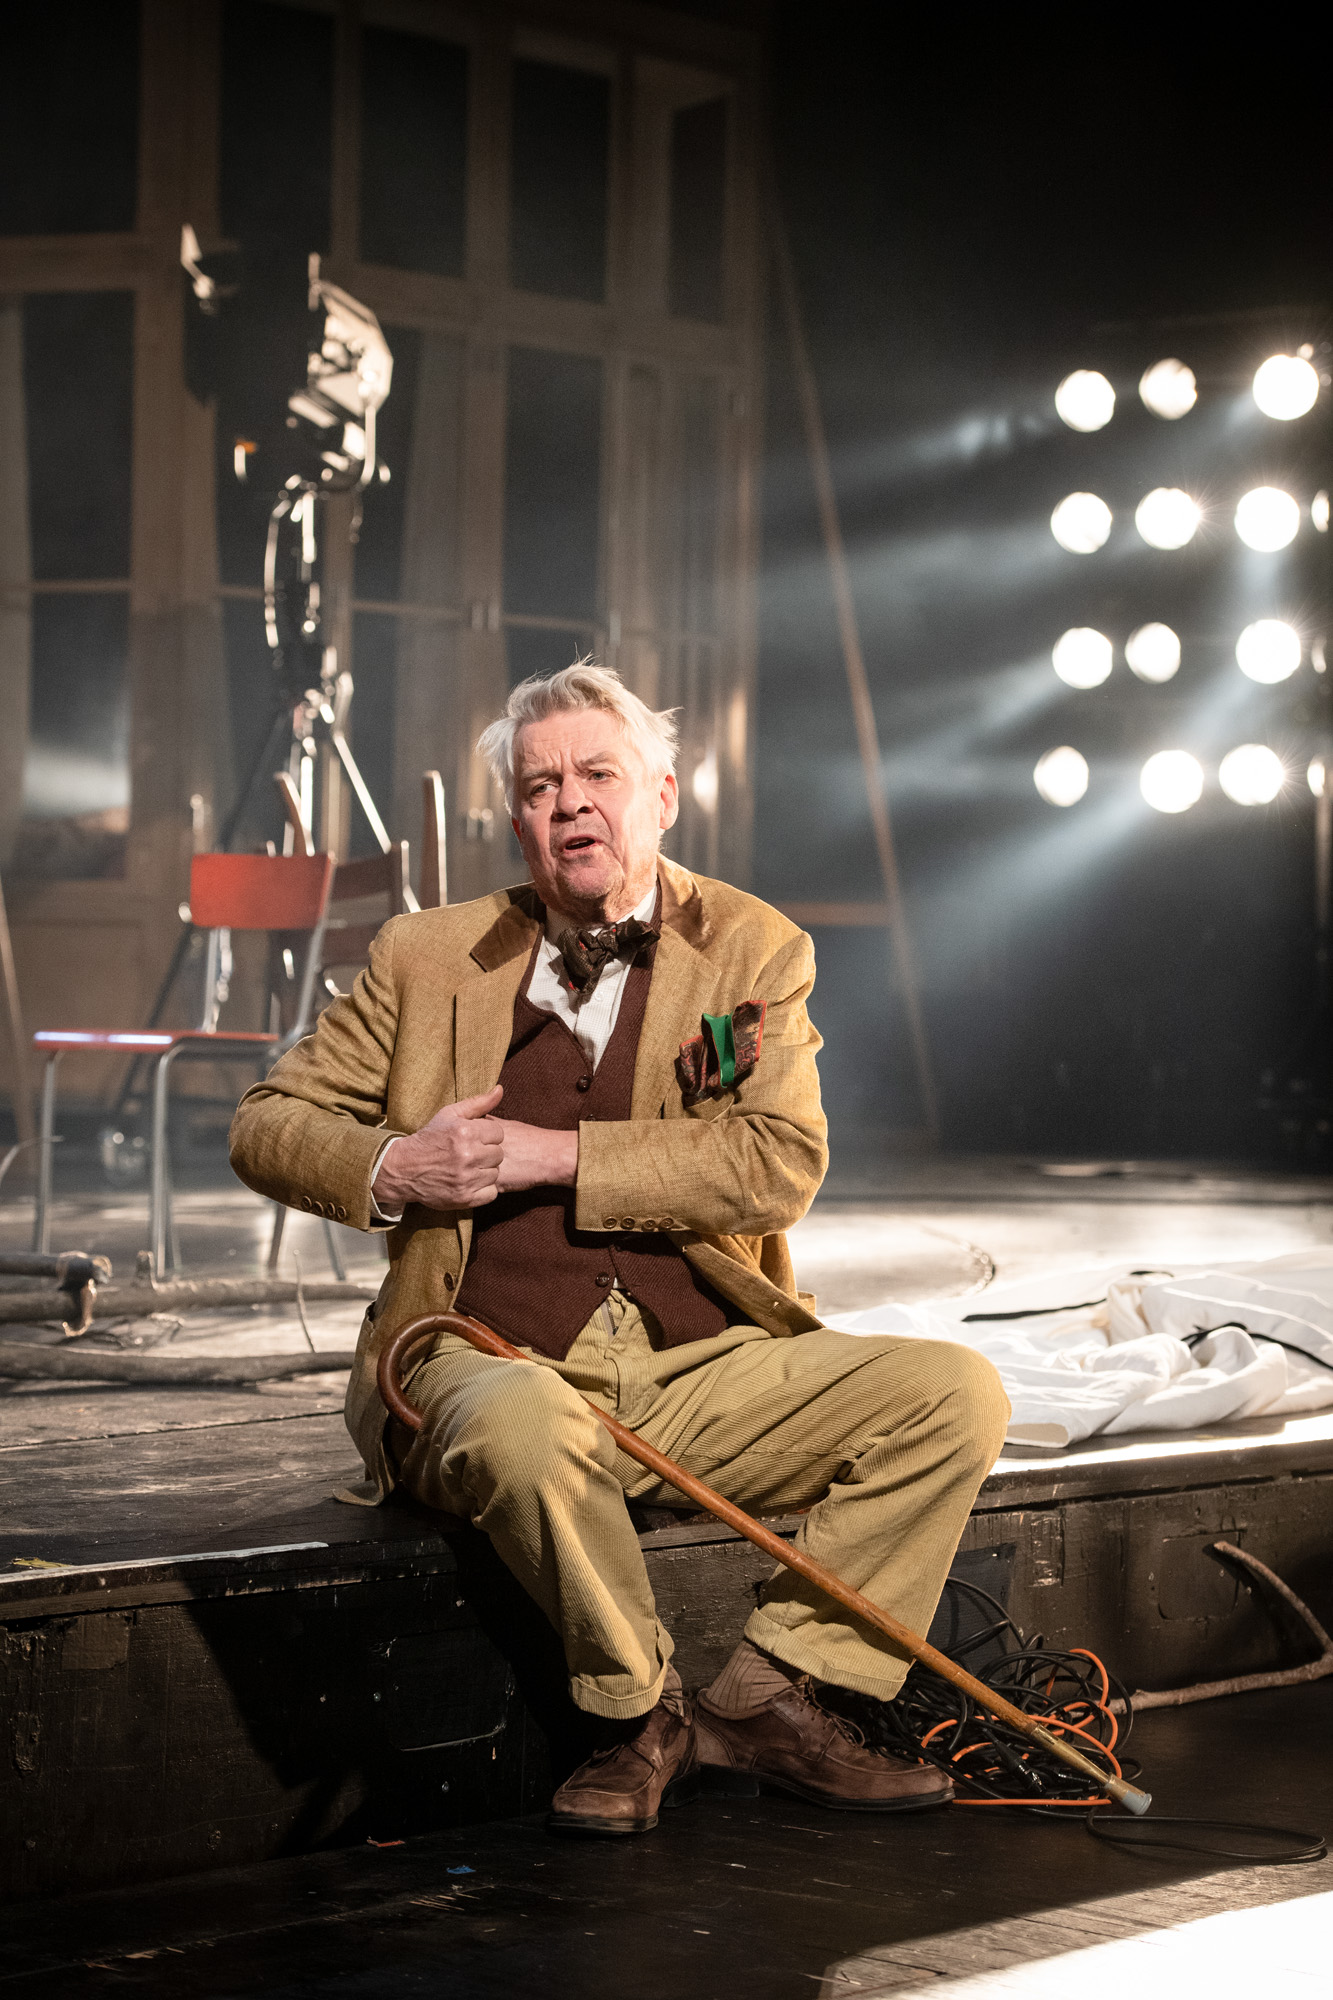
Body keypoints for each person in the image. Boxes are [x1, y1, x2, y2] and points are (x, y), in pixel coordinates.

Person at [230, 662, 1009, 1837]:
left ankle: (766, 1693)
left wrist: (553, 1155)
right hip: (485, 1357)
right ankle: (641, 1712)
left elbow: (773, 1161)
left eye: (599, 774)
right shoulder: (426, 955)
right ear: (517, 820)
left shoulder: (749, 949)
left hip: (695, 1365)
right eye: (541, 786)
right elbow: (263, 1122)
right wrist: (398, 1167)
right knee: (523, 1424)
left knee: (954, 1391)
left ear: (663, 795)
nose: (571, 803)